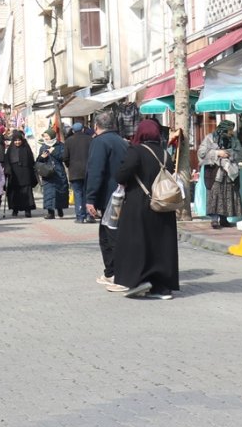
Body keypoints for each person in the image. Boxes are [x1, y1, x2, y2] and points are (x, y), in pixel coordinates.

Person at [111, 120, 180, 299]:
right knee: (161, 244)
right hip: (163, 204)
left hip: (139, 204)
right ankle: (161, 286)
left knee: (137, 242)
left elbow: (121, 174)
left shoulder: (137, 151)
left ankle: (139, 280)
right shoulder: (165, 154)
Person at [84, 112, 129, 288]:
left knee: (108, 236)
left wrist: (90, 198)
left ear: (96, 126)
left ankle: (114, 273)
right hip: (123, 194)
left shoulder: (99, 142)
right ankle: (114, 271)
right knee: (114, 233)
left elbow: (96, 171)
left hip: (108, 197)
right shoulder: (122, 141)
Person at [198, 119, 242, 229]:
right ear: (223, 130)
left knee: (227, 194)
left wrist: (230, 153)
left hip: (229, 172)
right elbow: (201, 153)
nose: (231, 132)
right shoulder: (210, 138)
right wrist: (217, 153)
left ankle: (224, 219)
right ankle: (214, 220)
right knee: (215, 194)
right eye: (229, 130)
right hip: (215, 171)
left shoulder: (234, 139)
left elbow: (241, 153)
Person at [3, 130, 37, 218]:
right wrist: (7, 170)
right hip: (14, 174)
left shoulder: (26, 148)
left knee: (27, 191)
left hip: (25, 173)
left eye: (19, 140)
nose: (17, 142)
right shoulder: (10, 150)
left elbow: (31, 161)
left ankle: (28, 210)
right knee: (15, 192)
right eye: (15, 140)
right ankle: (15, 209)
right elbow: (6, 161)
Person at [37, 130, 68, 219]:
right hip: (47, 172)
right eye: (45, 136)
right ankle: (50, 212)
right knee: (49, 192)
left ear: (52, 136)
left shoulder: (60, 145)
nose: (46, 138)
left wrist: (53, 152)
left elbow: (63, 157)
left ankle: (60, 208)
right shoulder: (43, 147)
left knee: (60, 190)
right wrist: (42, 157)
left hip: (58, 172)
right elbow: (39, 161)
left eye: (47, 136)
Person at [65, 122, 93, 223]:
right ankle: (90, 215)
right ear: (83, 130)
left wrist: (69, 165)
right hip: (89, 171)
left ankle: (80, 217)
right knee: (88, 193)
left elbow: (65, 157)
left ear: (73, 131)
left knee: (78, 194)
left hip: (74, 171)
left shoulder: (69, 141)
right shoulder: (90, 139)